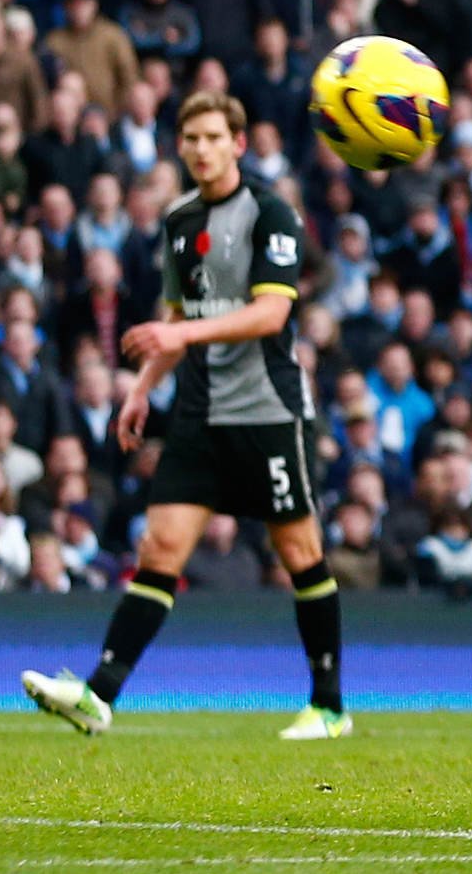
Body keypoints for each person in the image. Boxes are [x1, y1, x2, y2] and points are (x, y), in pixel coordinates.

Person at [21, 92, 347, 741]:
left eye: (211, 137)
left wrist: (180, 341)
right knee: (159, 549)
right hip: (200, 410)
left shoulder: (270, 213)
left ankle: (330, 706)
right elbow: (177, 317)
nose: (199, 148)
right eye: (189, 138)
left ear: (238, 143)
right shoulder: (177, 220)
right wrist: (143, 388)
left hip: (266, 408)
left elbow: (271, 314)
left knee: (299, 552)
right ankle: (97, 694)